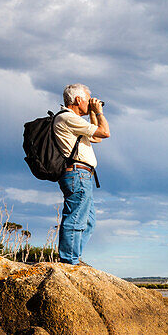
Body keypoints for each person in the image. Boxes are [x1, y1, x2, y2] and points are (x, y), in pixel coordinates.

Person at [53, 83, 110, 265]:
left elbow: (97, 138)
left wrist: (91, 112)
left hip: (82, 175)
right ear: (78, 100)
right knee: (76, 219)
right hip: (77, 174)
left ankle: (73, 257)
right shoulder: (68, 118)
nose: (90, 103)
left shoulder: (74, 121)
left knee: (88, 221)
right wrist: (99, 112)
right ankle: (69, 261)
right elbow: (105, 132)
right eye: (87, 100)